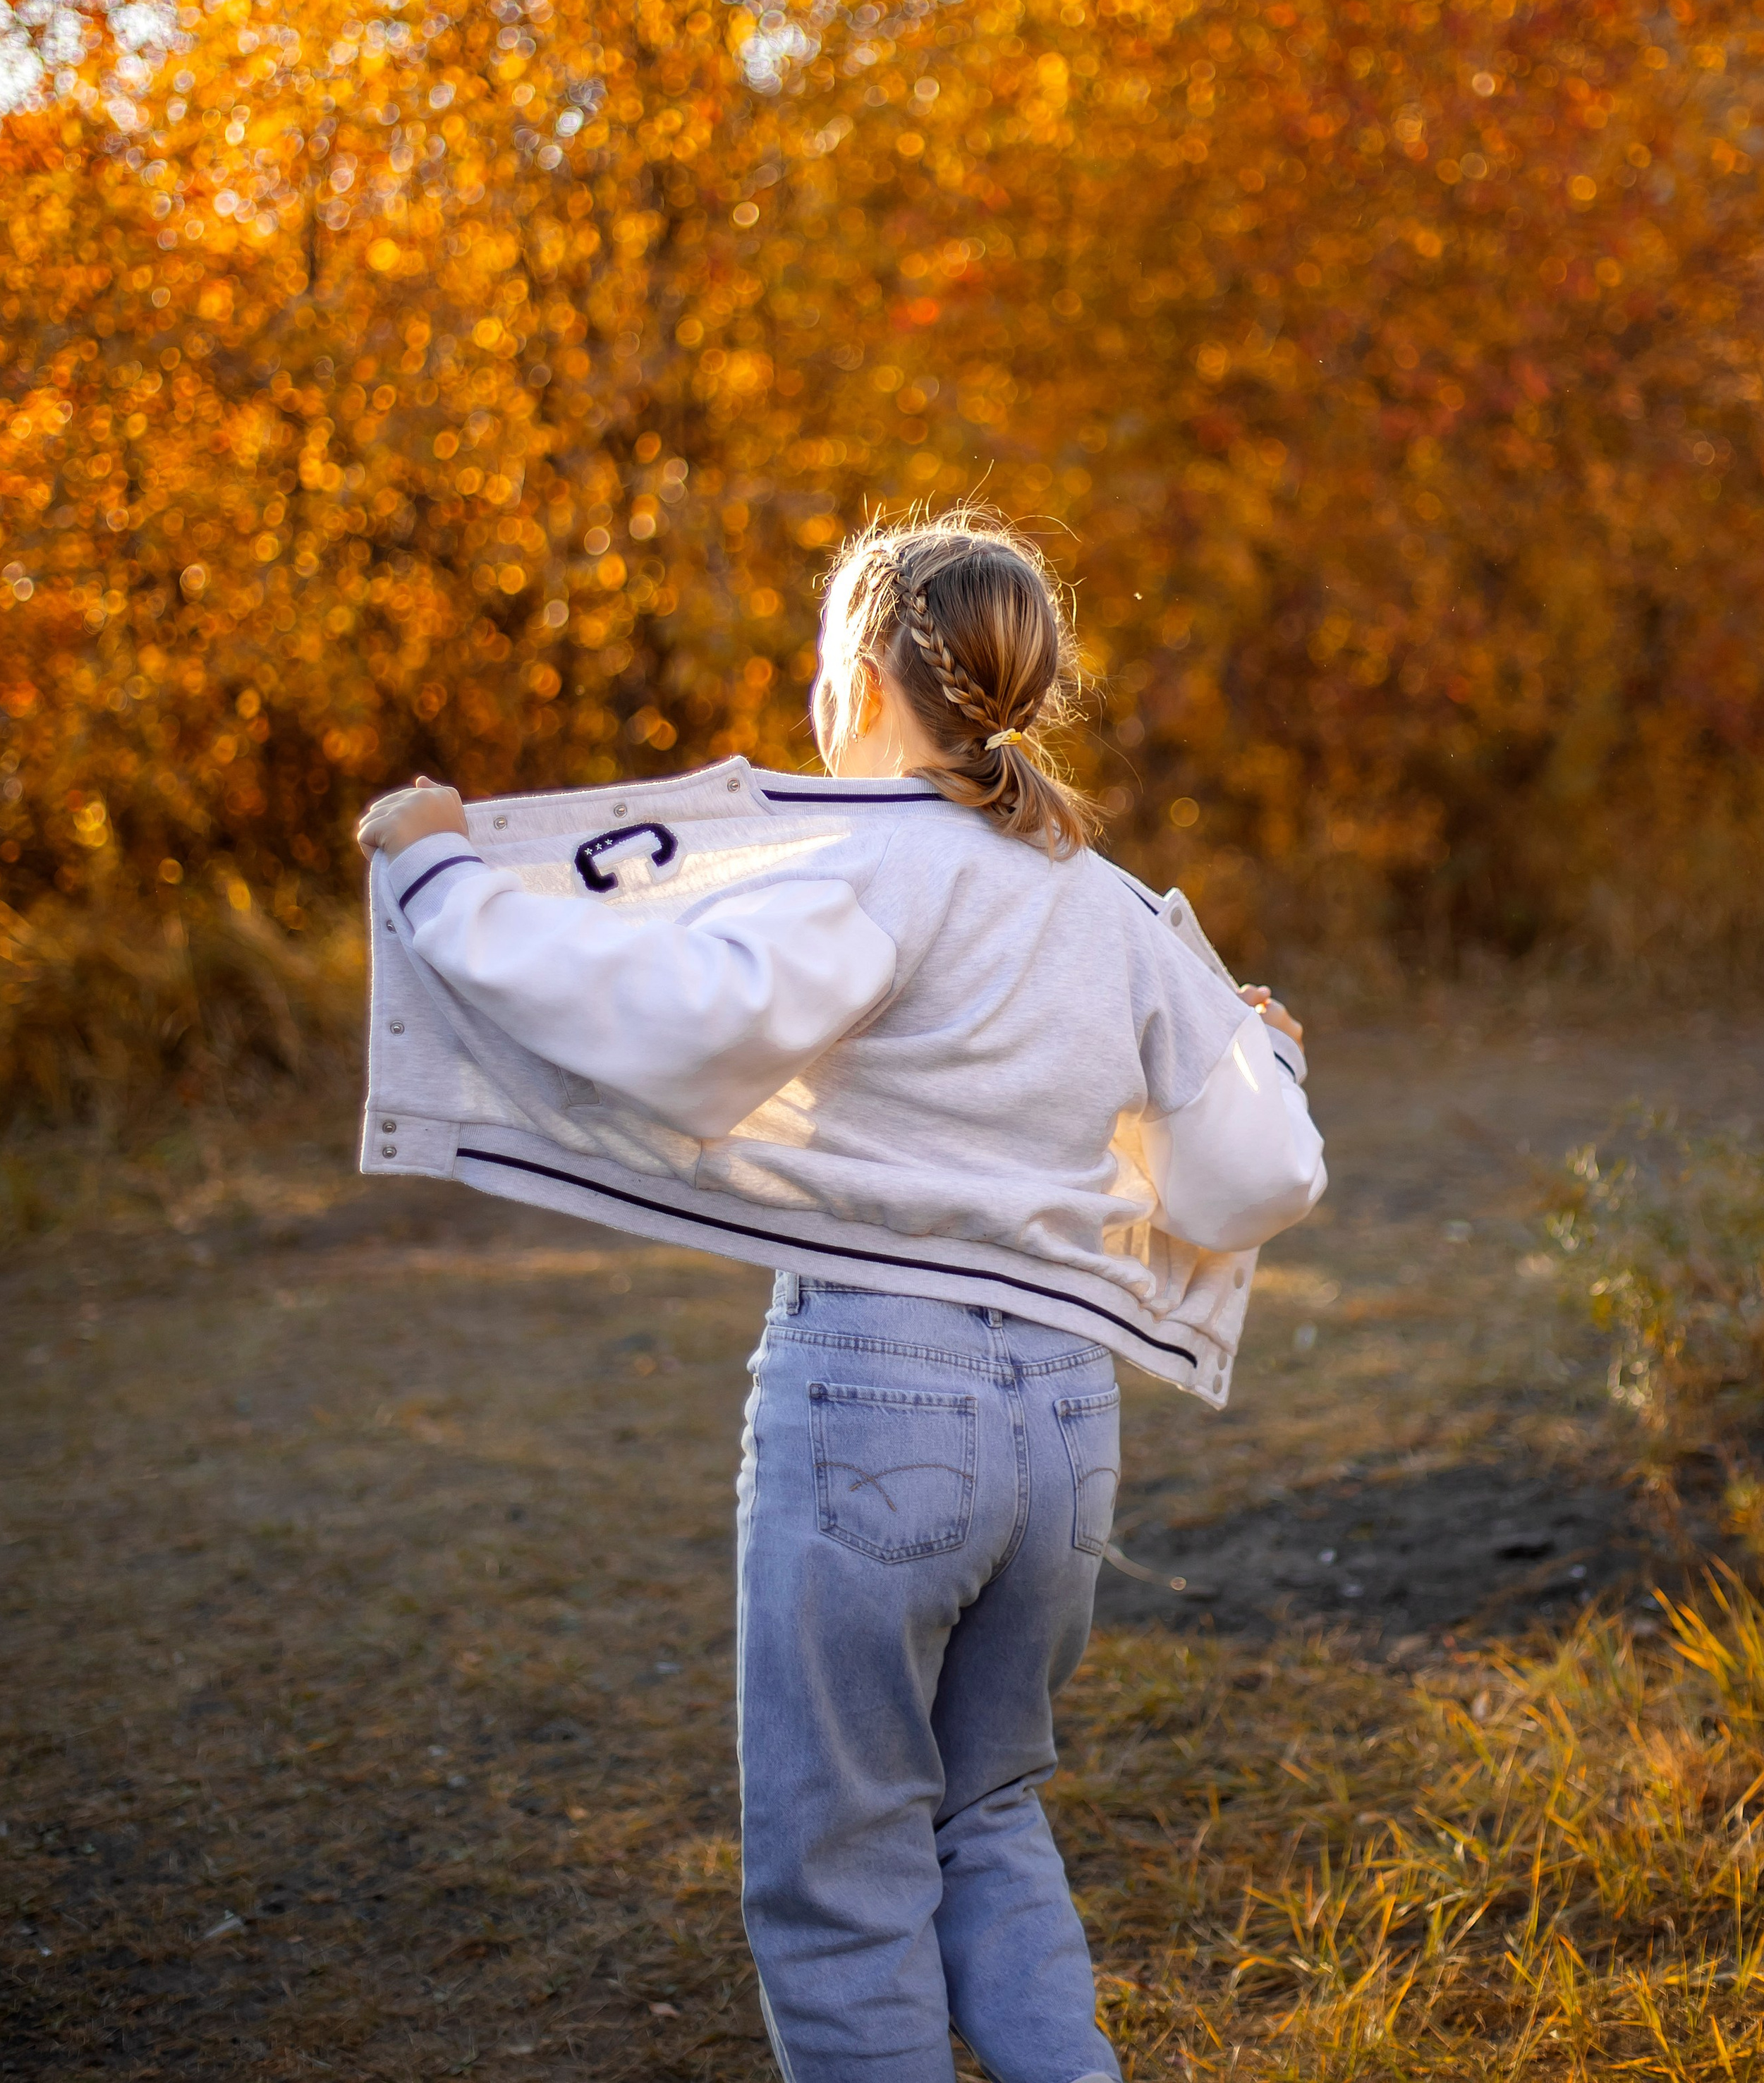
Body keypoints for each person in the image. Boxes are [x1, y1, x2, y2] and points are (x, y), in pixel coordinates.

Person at [358, 509, 1324, 2083]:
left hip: (882, 1390)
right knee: (984, 1807)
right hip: (1065, 1427)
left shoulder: (861, 860)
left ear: (864, 667)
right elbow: (1244, 1181)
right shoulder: (1109, 906)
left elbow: (670, 1020)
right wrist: (1262, 1052)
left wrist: (438, 873)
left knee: (837, 1863)